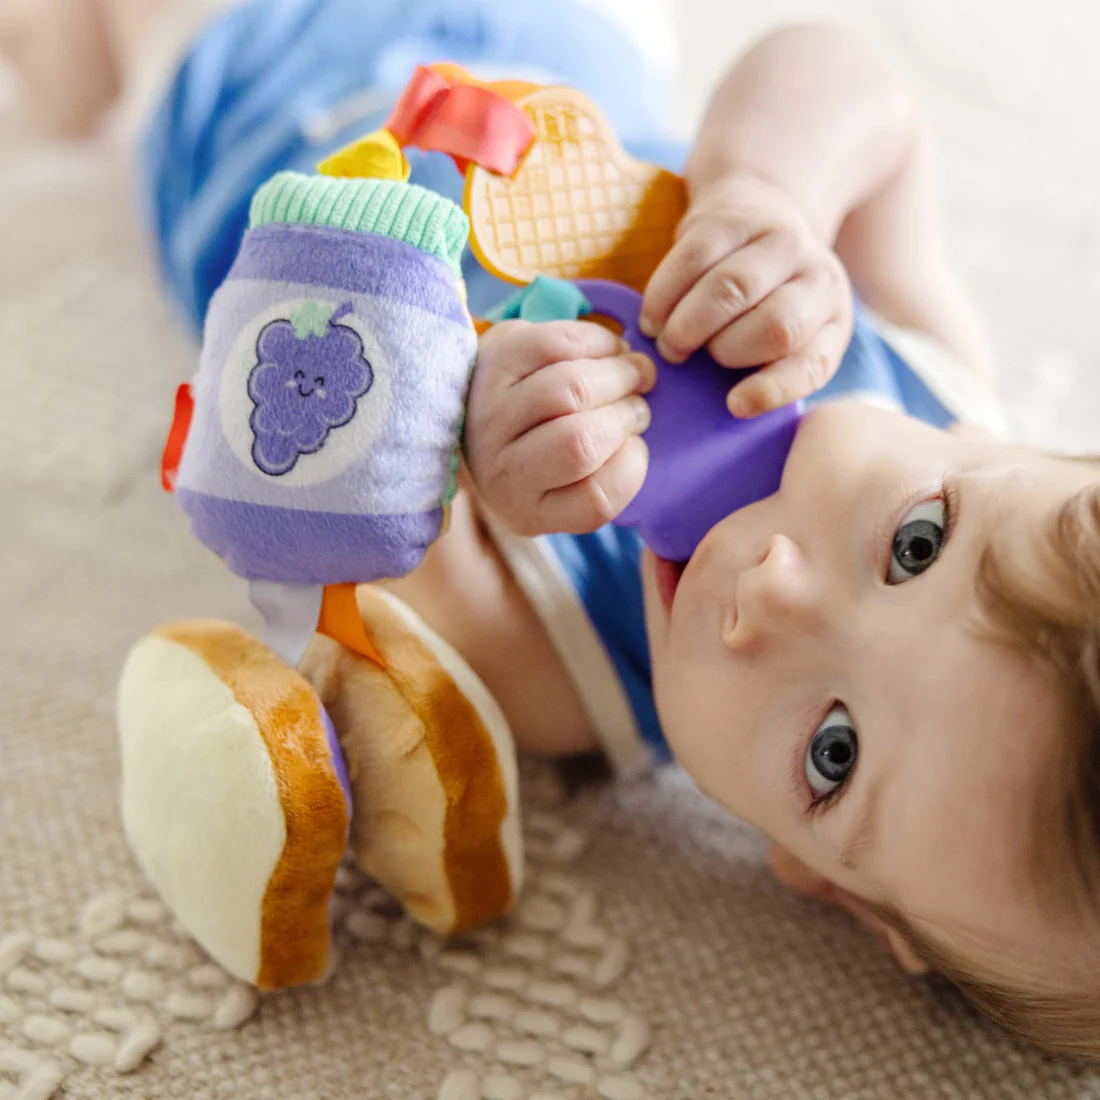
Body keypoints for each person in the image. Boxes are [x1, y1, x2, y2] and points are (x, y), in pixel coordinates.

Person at [5, 0, 1099, 1058]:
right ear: (1008, 448)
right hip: (557, 54)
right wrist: (770, 190)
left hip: (271, 114)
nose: (772, 591)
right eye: (917, 546)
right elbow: (859, 94)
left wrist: (476, 430)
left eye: (834, 751)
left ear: (826, 883)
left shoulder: (578, 671)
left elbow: (365, 551)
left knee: (105, 38)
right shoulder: (936, 373)